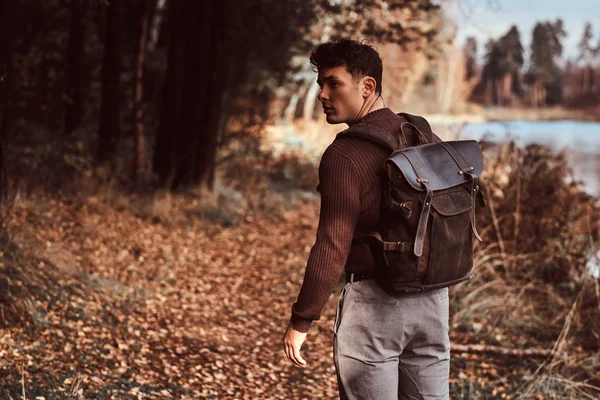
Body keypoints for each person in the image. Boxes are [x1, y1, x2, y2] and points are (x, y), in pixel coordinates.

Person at [282, 39, 450, 400]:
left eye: (333, 83)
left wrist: (302, 319)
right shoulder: (423, 134)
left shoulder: (343, 155)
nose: (322, 94)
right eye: (319, 84)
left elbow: (332, 243)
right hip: (434, 302)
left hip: (375, 307)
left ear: (368, 86)